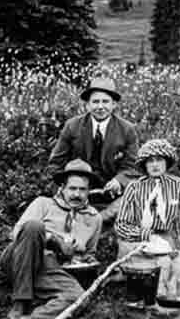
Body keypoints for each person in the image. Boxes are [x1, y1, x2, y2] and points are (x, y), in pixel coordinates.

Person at [0, 159, 104, 319]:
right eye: (72, 188)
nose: (77, 194)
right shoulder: (43, 204)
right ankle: (20, 303)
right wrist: (54, 241)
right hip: (20, 259)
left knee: (78, 297)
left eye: (82, 190)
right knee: (34, 226)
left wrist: (84, 259)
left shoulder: (94, 218)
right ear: (62, 187)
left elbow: (90, 253)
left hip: (52, 270)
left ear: (89, 191)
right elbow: (18, 234)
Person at [46, 75, 141, 222]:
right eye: (95, 102)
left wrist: (118, 181)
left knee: (136, 194)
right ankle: (89, 218)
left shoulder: (127, 130)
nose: (100, 107)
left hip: (111, 194)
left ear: (114, 104)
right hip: (79, 191)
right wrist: (68, 184)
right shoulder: (72, 126)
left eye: (105, 102)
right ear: (87, 105)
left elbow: (133, 167)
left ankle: (97, 219)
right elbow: (55, 163)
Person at [114, 138, 180, 307]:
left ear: (167, 162)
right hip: (135, 243)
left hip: (165, 243)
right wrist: (145, 235)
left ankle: (163, 301)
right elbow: (121, 225)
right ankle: (145, 299)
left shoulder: (179, 186)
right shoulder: (134, 187)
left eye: (159, 160)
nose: (155, 165)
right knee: (156, 270)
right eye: (150, 161)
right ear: (144, 165)